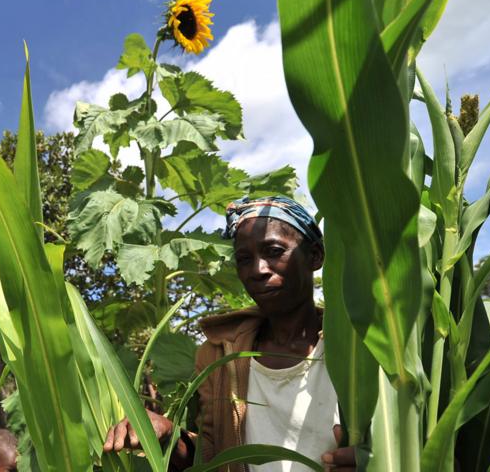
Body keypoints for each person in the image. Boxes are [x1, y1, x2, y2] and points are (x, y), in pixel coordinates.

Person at [103, 196, 356, 472]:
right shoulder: (218, 354)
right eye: (244, 259)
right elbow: (213, 456)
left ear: (315, 255)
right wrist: (168, 435)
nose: (258, 270)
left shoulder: (357, 346)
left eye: (273, 251)